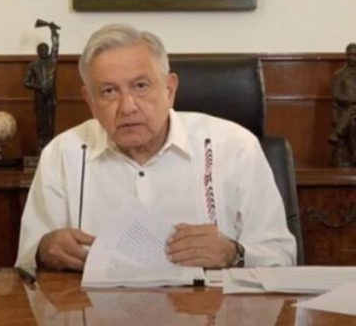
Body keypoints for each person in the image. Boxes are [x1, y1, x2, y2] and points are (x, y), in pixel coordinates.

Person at [15, 23, 295, 271]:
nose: (127, 107)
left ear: (169, 89)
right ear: (90, 100)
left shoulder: (234, 147)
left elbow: (281, 256)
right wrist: (44, 251)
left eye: (141, 86)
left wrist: (233, 253)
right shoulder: (61, 154)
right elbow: (26, 262)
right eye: (109, 91)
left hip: (207, 307)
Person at [24, 26, 60, 152]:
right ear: (37, 52)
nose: (44, 51)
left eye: (45, 49)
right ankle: (41, 144)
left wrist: (53, 33)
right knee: (41, 121)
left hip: (51, 95)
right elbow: (26, 82)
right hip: (39, 95)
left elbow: (56, 46)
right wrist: (39, 86)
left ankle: (50, 144)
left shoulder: (52, 61)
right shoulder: (33, 65)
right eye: (41, 50)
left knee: (50, 121)